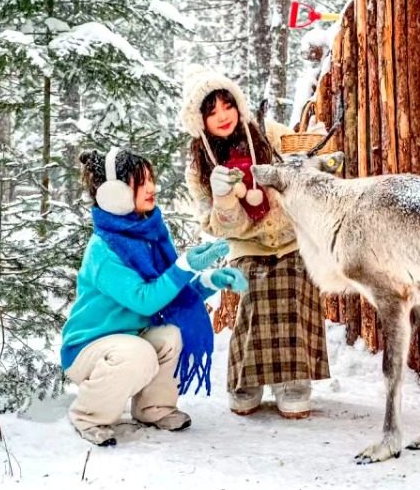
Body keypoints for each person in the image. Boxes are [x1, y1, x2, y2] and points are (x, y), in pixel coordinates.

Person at [61, 147, 248, 446]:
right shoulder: (103, 249)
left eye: (152, 179)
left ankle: (153, 407)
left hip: (129, 338)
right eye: (141, 181)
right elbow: (144, 299)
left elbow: (168, 293)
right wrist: (184, 265)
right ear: (115, 193)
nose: (152, 188)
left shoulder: (149, 235)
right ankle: (88, 415)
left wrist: (211, 279)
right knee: (139, 353)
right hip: (88, 348)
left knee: (171, 334)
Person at [180, 66, 330, 419]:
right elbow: (217, 227)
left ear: (238, 105)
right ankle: (247, 378)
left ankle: (294, 379)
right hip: (248, 246)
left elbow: (301, 171)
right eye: (211, 110)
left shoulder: (268, 135)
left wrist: (313, 151)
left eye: (226, 105)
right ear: (199, 119)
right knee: (256, 290)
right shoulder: (198, 167)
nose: (222, 116)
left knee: (295, 283)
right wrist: (225, 199)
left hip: (293, 236)